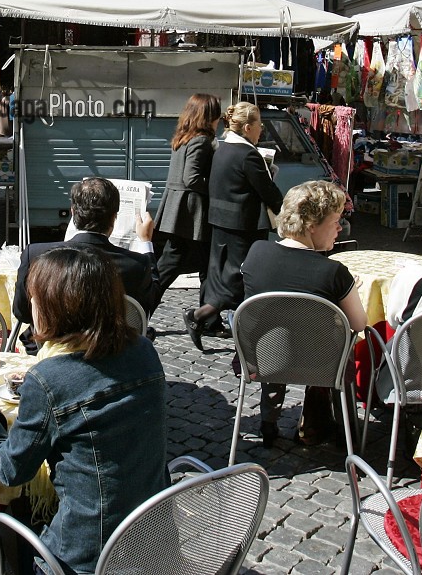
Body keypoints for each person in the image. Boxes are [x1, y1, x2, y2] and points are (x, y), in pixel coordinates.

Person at [0, 247, 169, 575]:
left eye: (34, 299)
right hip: (153, 541)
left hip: (87, 557)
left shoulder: (49, 379)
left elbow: (10, 470)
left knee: (7, 524)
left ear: (54, 307)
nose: (31, 308)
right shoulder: (145, 352)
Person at [242, 181, 367, 446]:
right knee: (340, 343)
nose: (339, 228)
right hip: (322, 365)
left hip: (262, 360)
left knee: (276, 334)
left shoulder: (256, 253)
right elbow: (359, 323)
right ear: (312, 226)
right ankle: (346, 431)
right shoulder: (333, 272)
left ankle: (268, 423)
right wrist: (350, 289)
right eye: (335, 221)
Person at [186, 102, 284, 350]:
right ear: (248, 127)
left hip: (220, 221)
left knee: (225, 278)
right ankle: (199, 317)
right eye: (260, 125)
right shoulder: (248, 154)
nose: (261, 129)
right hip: (242, 226)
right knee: (241, 279)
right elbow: (267, 191)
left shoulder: (222, 148)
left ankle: (221, 323)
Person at [13, 177, 155, 330]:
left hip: (53, 347)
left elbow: (22, 312)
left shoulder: (35, 254)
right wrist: (146, 242)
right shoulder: (136, 265)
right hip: (111, 349)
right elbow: (145, 308)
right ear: (114, 217)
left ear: (73, 212)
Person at [148, 93, 221, 319]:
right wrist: (217, 186)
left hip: (179, 210)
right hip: (190, 214)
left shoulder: (183, 138)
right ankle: (139, 311)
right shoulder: (200, 141)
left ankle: (208, 318)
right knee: (170, 265)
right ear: (208, 116)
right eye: (216, 115)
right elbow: (192, 178)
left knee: (206, 265)